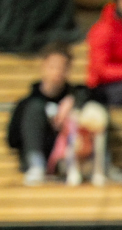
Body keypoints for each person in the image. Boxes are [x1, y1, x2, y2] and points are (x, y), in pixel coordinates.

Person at [6, 43, 109, 186]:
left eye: (62, 67)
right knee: (34, 108)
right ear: (43, 66)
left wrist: (74, 102)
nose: (57, 72)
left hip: (68, 159)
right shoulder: (27, 103)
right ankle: (36, 165)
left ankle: (95, 168)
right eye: (53, 66)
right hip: (41, 157)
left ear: (68, 69)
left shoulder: (76, 94)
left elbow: (101, 99)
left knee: (90, 110)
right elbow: (12, 140)